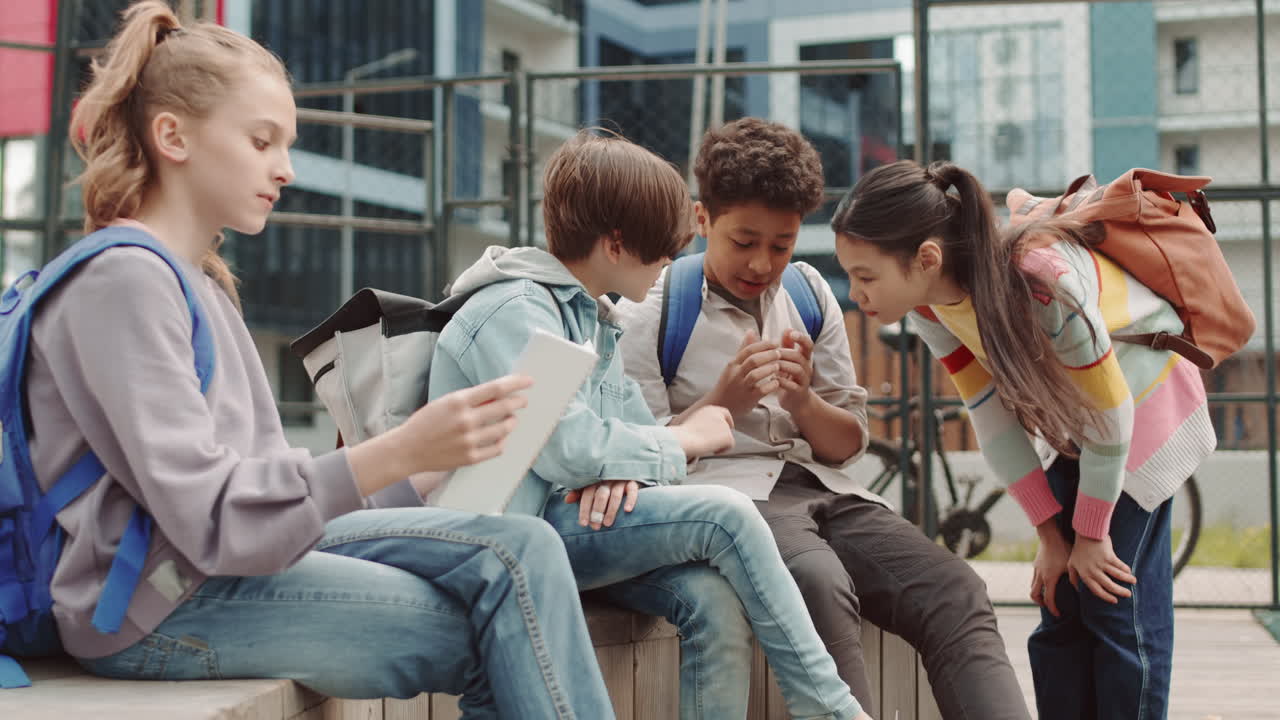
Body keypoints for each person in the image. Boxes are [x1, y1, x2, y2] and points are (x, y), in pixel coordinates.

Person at [35, 4, 617, 717]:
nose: (284, 169)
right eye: (261, 141)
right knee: (506, 612)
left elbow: (259, 498)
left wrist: (424, 470)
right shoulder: (124, 281)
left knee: (524, 547)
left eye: (286, 145)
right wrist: (399, 450)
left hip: (213, 567)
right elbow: (214, 518)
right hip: (155, 604)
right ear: (172, 136)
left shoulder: (200, 282)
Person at [428, 129, 870, 720]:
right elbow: (569, 449)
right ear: (616, 245)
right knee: (728, 513)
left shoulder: (590, 319)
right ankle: (833, 709)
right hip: (507, 537)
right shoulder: (516, 310)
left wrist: (624, 468)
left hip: (571, 524)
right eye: (663, 251)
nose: (670, 266)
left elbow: (627, 441)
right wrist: (676, 441)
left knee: (712, 599)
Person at [615, 117, 1030, 720]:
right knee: (819, 580)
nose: (762, 262)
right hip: (728, 499)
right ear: (702, 220)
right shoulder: (654, 309)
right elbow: (645, 459)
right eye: (743, 241)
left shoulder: (808, 294)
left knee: (954, 588)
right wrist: (725, 402)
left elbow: (847, 445)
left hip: (826, 489)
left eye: (781, 245)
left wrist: (803, 403)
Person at [831, 159, 1216, 720]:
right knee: (1060, 599)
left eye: (866, 276)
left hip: (1144, 411)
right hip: (1077, 424)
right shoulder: (930, 306)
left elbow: (1113, 412)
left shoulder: (1042, 284)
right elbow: (989, 415)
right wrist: (1049, 535)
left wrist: (1090, 534)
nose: (855, 293)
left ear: (927, 258)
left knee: (1115, 609)